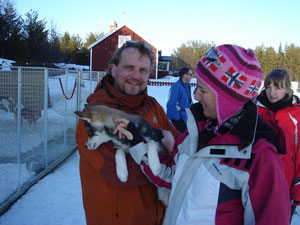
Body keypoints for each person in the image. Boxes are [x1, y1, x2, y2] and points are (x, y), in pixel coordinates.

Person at [114, 44, 291, 225]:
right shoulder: (193, 135)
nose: (196, 95)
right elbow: (172, 176)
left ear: (227, 100)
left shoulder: (259, 158)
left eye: (203, 90)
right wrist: (137, 143)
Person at [75, 40, 179, 225]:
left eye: (143, 70)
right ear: (114, 70)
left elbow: (179, 144)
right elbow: (125, 175)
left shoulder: (153, 106)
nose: (136, 76)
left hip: (158, 217)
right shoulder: (94, 116)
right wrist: (170, 159)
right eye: (129, 68)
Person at [256, 68, 300, 222]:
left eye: (278, 87)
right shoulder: (255, 110)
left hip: (285, 183)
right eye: (268, 87)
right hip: (255, 180)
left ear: (288, 89)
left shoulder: (297, 115)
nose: (271, 92)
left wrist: (297, 191)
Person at [166, 67, 193, 132]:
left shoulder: (187, 86)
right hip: (179, 120)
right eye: (190, 74)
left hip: (185, 118)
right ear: (184, 75)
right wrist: (177, 119)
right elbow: (171, 105)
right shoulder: (176, 87)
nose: (192, 76)